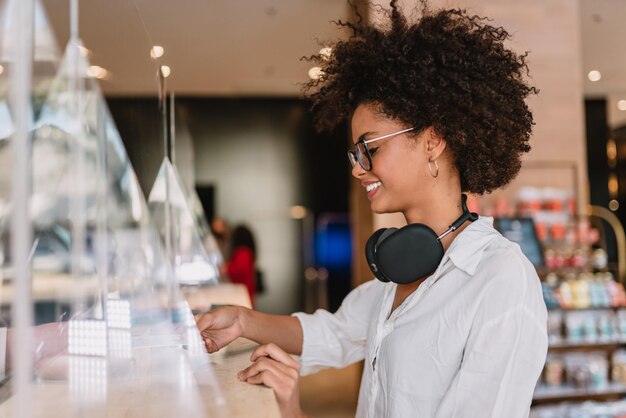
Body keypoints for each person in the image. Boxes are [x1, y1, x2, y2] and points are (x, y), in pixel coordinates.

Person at [196, 2, 548, 417]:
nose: (359, 170)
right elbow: (335, 333)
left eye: (370, 148)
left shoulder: (500, 280)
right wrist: (242, 321)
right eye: (354, 155)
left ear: (432, 141)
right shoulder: (398, 267)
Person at [223, 224, 258, 306]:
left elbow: (238, 271)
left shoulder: (243, 252)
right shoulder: (246, 252)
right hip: (246, 293)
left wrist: (226, 269)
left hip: (244, 294)